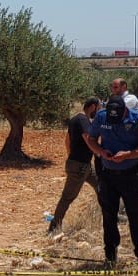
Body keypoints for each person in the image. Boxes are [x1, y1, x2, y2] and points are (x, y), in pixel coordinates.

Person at [85, 94, 138, 264]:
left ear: (125, 110)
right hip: (108, 174)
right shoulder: (101, 117)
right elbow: (91, 139)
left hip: (131, 174)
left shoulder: (137, 120)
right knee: (109, 215)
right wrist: (101, 152)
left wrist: (128, 155)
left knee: (135, 214)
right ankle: (110, 255)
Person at [48, 97, 101, 235]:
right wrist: (100, 152)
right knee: (67, 197)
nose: (98, 111)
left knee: (102, 186)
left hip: (82, 165)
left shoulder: (74, 119)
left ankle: (112, 216)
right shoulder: (83, 120)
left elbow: (67, 140)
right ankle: (53, 228)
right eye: (98, 108)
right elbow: (88, 138)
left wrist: (71, 157)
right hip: (80, 166)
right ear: (93, 106)